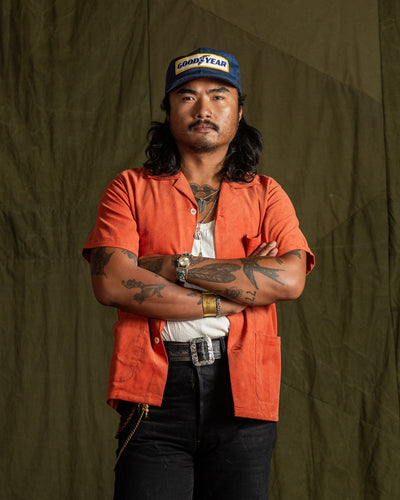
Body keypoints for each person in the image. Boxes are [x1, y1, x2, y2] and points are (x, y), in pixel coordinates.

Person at [83, 47, 315, 499]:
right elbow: (111, 282)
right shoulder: (128, 188)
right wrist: (234, 290)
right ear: (168, 110)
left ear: (239, 111)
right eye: (187, 96)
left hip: (243, 390)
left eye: (218, 96)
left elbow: (289, 279)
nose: (203, 109)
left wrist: (171, 266)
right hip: (154, 394)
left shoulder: (267, 194)